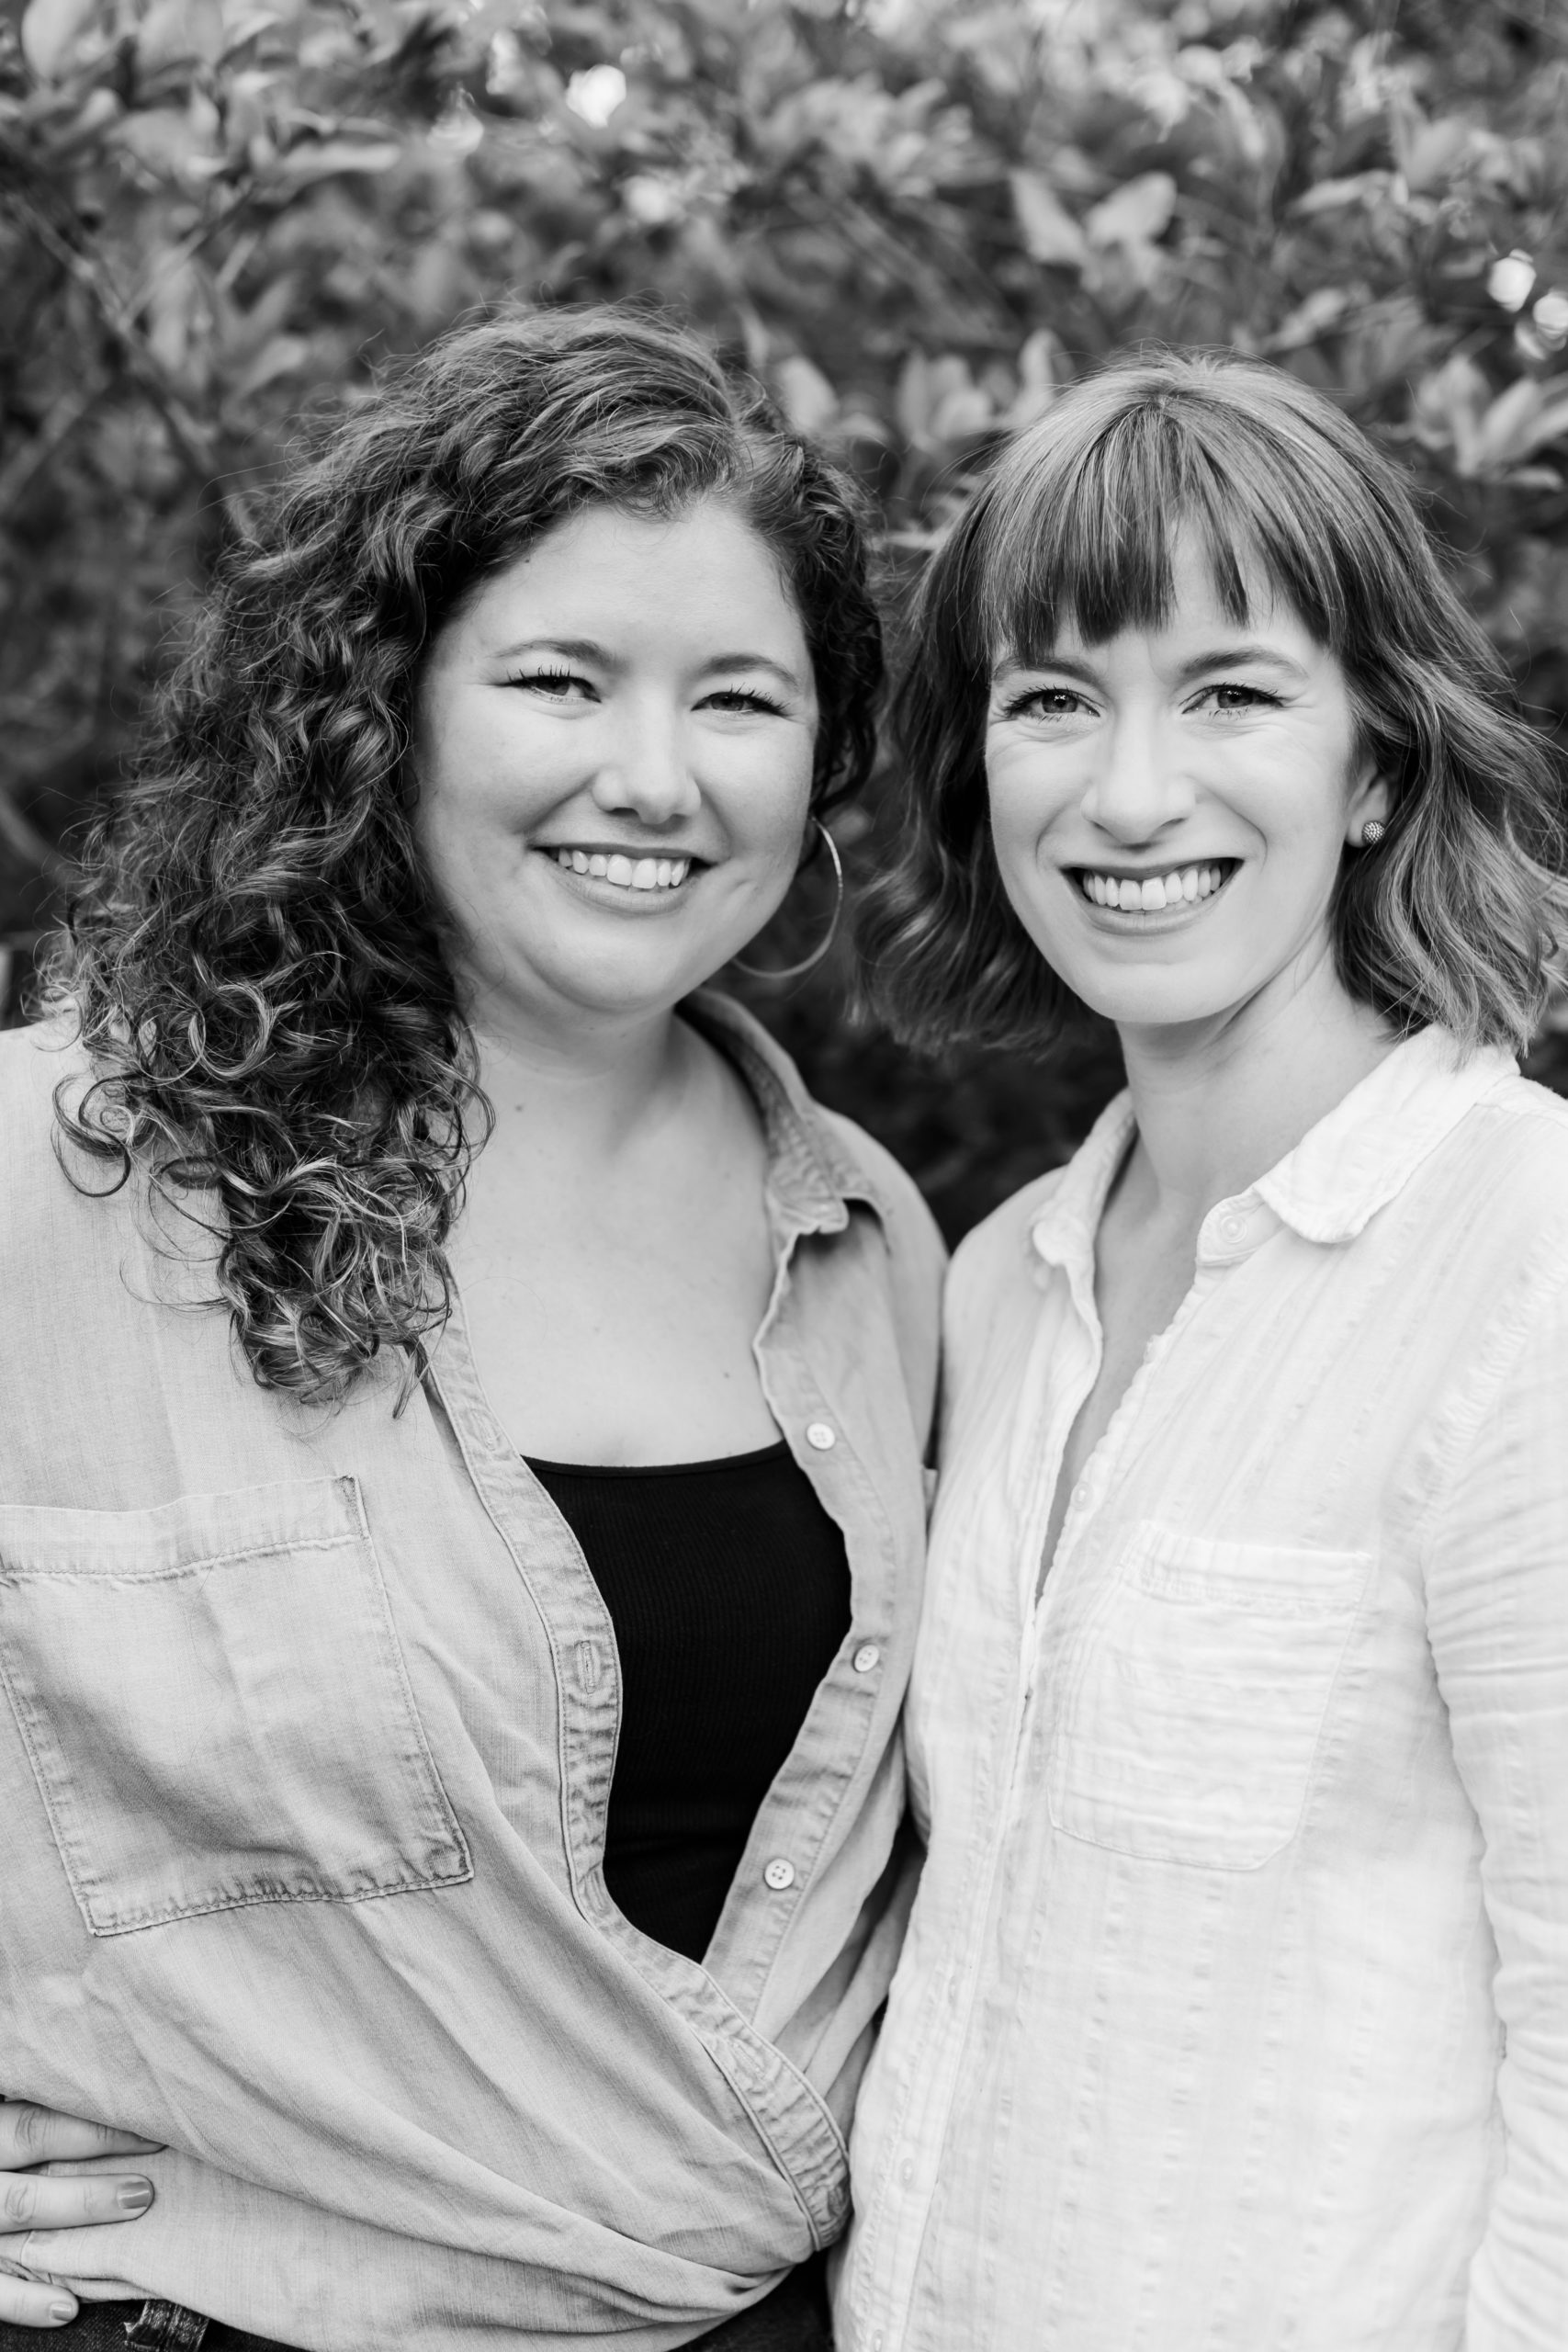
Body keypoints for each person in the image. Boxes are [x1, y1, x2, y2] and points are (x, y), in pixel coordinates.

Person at [0, 309, 943, 2347]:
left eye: (739, 699)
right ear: (386, 709)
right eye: (558, 679)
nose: (653, 777)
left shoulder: (871, 1235)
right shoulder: (65, 1172)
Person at [838, 353, 1568, 2350]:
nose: (1131, 792)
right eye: (1052, 700)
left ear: (1376, 765)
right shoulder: (996, 1284)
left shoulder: (1522, 1258)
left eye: (1230, 692)